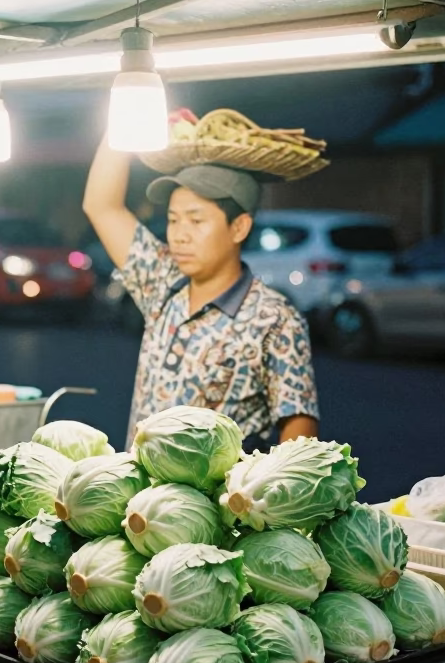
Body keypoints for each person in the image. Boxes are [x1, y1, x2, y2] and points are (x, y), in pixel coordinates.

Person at [83, 134, 319, 451]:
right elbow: (102, 206)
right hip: (139, 497)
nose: (180, 235)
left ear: (239, 227)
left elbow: (298, 428)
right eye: (173, 219)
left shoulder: (276, 319)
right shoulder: (163, 281)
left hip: (215, 500)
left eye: (196, 220)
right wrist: (122, 126)